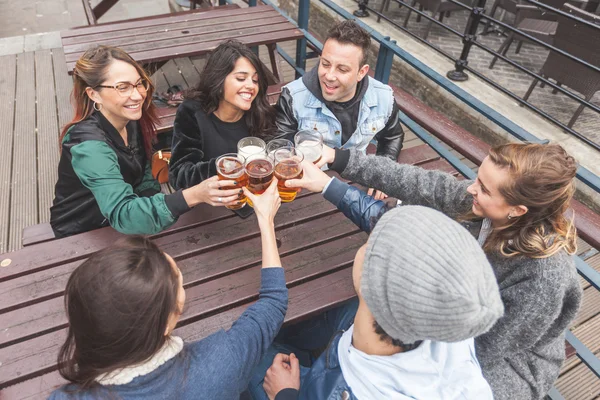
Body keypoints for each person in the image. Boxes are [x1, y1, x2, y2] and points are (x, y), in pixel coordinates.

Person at [283, 142, 583, 400]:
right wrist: (339, 159)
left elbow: (484, 346)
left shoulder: (543, 279)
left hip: (500, 362)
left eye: (483, 188)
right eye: (477, 178)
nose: (470, 189)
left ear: (517, 211)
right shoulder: (484, 202)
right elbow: (419, 183)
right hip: (445, 312)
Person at [49, 178, 286, 399]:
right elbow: (273, 303)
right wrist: (266, 220)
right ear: (164, 323)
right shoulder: (220, 363)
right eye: (179, 285)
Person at [249, 206, 504, 399]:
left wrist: (284, 394)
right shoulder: (448, 313)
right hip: (345, 357)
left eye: (371, 243)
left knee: (249, 352)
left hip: (316, 390)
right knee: (340, 311)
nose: (366, 243)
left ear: (370, 282)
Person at [50, 46, 242, 238]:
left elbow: (143, 173)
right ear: (93, 94)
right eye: (122, 87)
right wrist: (194, 195)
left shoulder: (127, 119)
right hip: (83, 231)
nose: (138, 95)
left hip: (120, 222)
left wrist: (154, 199)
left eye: (139, 83)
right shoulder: (89, 146)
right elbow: (124, 214)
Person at [274, 20, 404, 200]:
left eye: (342, 69)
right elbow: (280, 147)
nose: (329, 75)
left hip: (358, 181)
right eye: (325, 64)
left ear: (361, 72)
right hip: (307, 188)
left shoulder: (384, 97)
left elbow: (392, 137)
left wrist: (382, 173)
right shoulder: (292, 97)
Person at [169, 39, 276, 190]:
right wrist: (227, 166)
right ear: (218, 79)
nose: (251, 86)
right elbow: (179, 175)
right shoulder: (192, 112)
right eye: (241, 78)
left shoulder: (258, 110)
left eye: (255, 80)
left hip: (254, 198)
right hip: (213, 205)